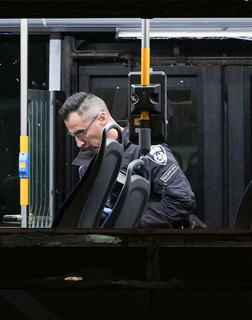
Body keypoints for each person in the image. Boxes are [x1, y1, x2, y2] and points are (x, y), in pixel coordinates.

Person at [60, 92, 196, 228]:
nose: (79, 143)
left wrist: (127, 222)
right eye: (74, 135)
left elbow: (182, 199)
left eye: (81, 132)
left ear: (101, 118)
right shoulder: (87, 164)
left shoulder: (145, 149)